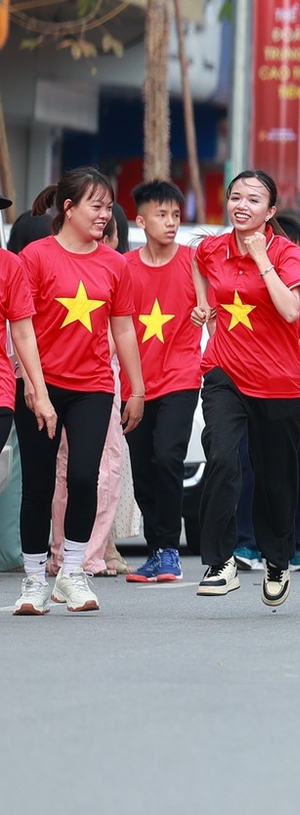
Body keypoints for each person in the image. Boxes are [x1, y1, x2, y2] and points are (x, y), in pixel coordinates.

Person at [12, 169, 142, 616]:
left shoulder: (114, 263)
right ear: (68, 208)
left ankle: (72, 572)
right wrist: (34, 387)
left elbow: (123, 327)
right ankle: (33, 581)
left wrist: (136, 388)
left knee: (85, 477)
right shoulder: (34, 257)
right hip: (39, 386)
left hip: (92, 386)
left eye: (109, 207)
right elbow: (22, 330)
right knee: (39, 484)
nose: (105, 215)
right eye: (97, 206)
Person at [191, 171, 300, 608]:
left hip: (278, 382)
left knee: (276, 481)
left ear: (270, 211)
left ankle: (278, 559)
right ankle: (219, 561)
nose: (241, 205)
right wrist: (204, 304)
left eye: (253, 199)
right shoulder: (212, 248)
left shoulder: (287, 254)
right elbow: (196, 262)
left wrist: (262, 258)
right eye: (234, 197)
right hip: (225, 372)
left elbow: (289, 310)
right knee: (223, 458)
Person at [123, 180, 206, 584]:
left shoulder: (192, 261)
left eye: (176, 215)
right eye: (161, 214)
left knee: (168, 456)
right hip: (136, 382)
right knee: (142, 468)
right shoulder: (126, 267)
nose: (171, 222)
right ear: (141, 220)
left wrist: (204, 313)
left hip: (181, 375)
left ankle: (169, 549)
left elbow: (211, 305)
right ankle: (156, 550)